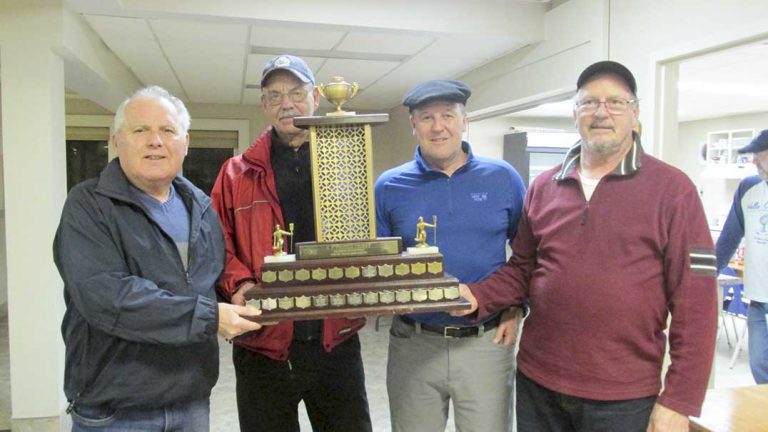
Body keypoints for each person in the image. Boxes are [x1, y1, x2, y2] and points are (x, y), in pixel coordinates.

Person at [456, 61, 718, 432]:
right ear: (575, 113)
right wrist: (476, 295)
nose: (601, 112)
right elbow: (523, 269)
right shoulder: (544, 187)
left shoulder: (674, 191)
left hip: (622, 397)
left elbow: (697, 302)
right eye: (589, 102)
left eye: (616, 102)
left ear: (635, 113)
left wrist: (679, 400)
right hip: (538, 384)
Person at [54, 86, 262, 431]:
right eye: (140, 130)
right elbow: (106, 297)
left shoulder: (200, 207)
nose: (155, 141)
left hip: (191, 400)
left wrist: (236, 293)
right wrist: (211, 317)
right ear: (116, 141)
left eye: (167, 130)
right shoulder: (88, 206)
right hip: (117, 409)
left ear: (186, 143)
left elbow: (204, 279)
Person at [210, 54, 372, 432]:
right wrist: (240, 284)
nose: (287, 104)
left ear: (315, 97)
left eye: (297, 93)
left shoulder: (346, 163)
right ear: (263, 105)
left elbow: (364, 236)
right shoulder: (236, 173)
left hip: (335, 338)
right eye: (275, 95)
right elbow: (217, 243)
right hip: (264, 344)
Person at [374, 79, 526, 432]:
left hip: (485, 343)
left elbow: (527, 256)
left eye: (448, 115)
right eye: (427, 117)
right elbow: (380, 262)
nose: (438, 126)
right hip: (414, 343)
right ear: (413, 125)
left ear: (464, 121)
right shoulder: (390, 186)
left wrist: (517, 307)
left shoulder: (503, 178)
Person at [716, 128, 768, 384]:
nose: (754, 161)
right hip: (759, 300)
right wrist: (700, 277)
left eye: (761, 155)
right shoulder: (749, 188)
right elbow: (727, 241)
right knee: (760, 369)